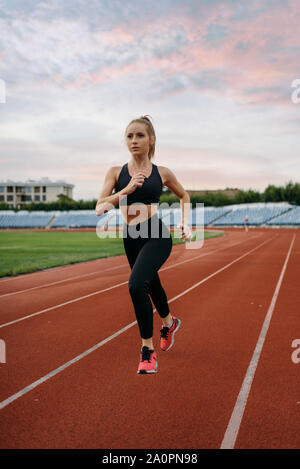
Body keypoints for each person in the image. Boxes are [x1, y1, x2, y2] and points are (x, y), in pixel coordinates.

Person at [95, 115, 192, 374]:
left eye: (139, 135)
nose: (134, 141)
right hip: (131, 237)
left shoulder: (162, 172)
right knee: (152, 283)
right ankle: (169, 323)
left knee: (137, 284)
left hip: (156, 233)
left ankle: (147, 352)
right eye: (129, 136)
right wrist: (124, 190)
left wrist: (186, 222)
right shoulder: (116, 172)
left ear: (151, 140)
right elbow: (100, 208)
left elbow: (184, 195)